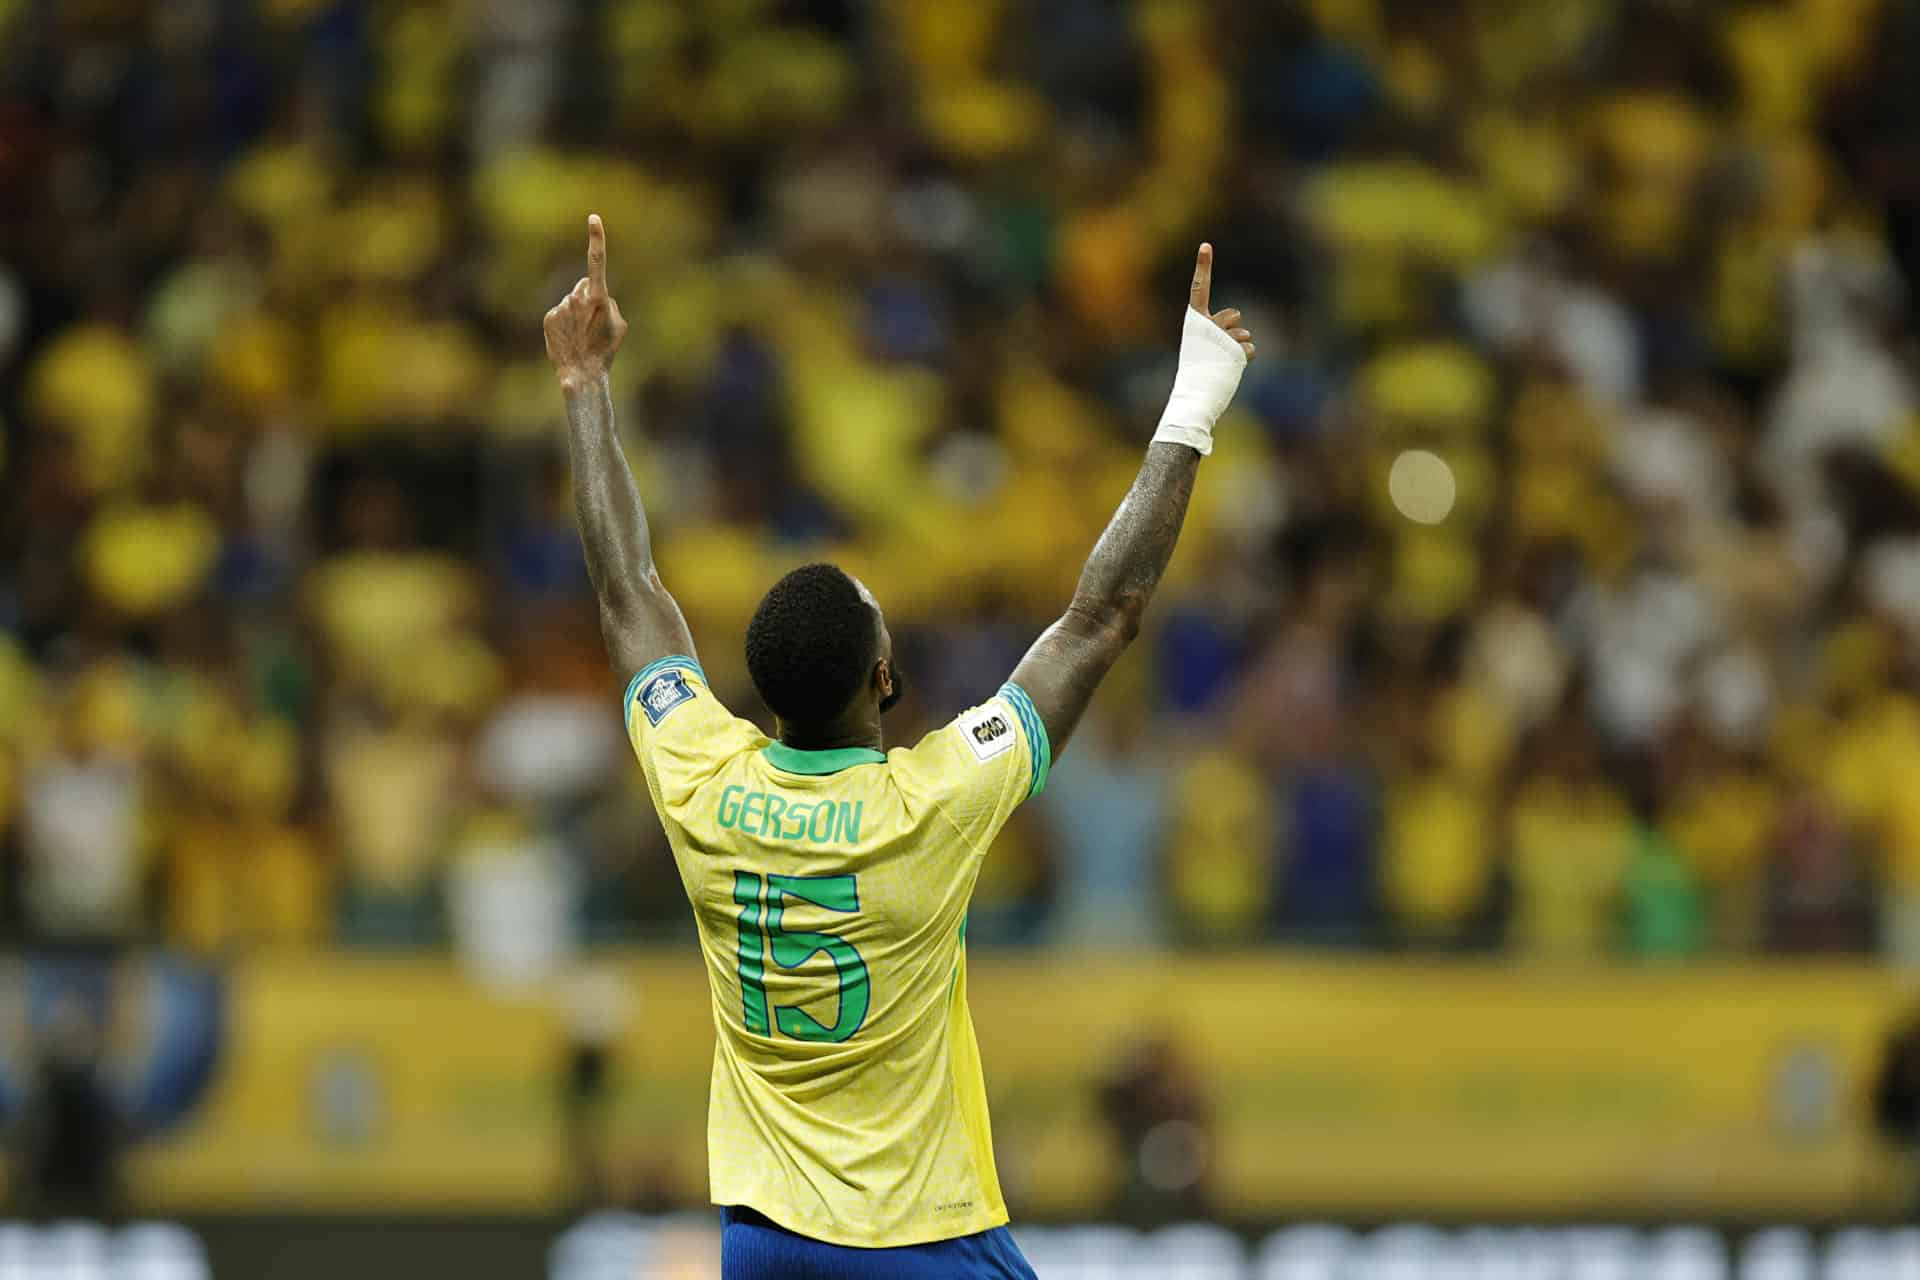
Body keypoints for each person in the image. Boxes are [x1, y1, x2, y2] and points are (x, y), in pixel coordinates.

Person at [543, 215, 1254, 1279]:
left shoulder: (699, 774)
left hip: (766, 1240)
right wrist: (1191, 407)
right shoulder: (935, 800)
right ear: (885, 676)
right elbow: (1100, 616)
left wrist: (585, 385)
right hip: (922, 1235)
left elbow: (627, 589)